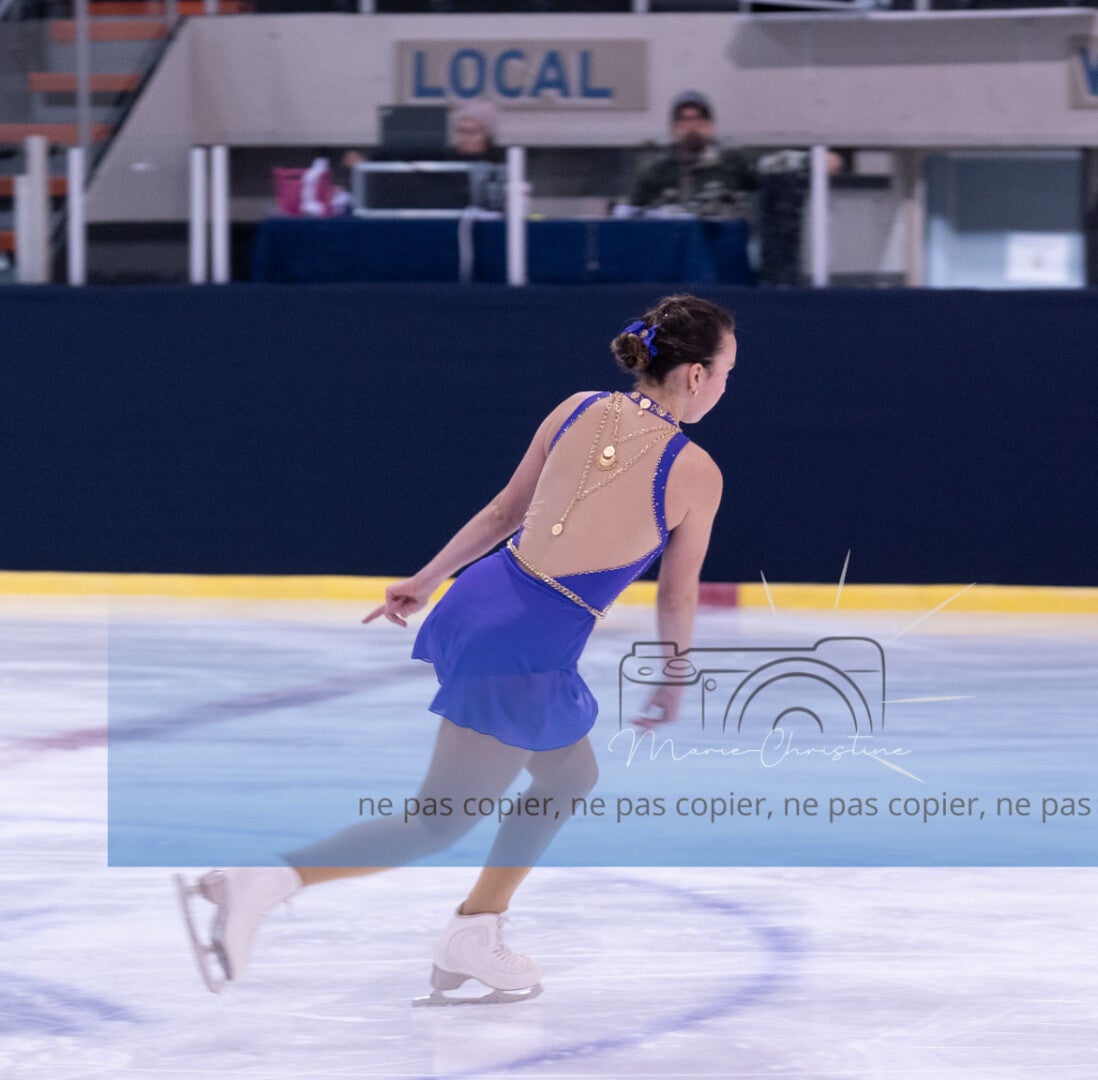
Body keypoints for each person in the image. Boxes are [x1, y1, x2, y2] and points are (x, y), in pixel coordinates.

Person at [174, 294, 735, 1004]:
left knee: (568, 777)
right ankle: (264, 882)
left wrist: (428, 577)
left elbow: (505, 511)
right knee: (437, 821)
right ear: (694, 375)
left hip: (484, 596)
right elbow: (676, 595)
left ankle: (476, 929)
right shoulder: (697, 472)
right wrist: (673, 677)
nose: (725, 386)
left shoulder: (578, 407)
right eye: (726, 372)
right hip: (526, 644)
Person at [627, 90, 757, 218]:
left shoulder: (732, 166)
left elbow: (759, 205)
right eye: (684, 120)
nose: (691, 126)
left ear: (710, 126)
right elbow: (634, 216)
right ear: (673, 128)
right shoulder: (656, 173)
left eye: (698, 118)